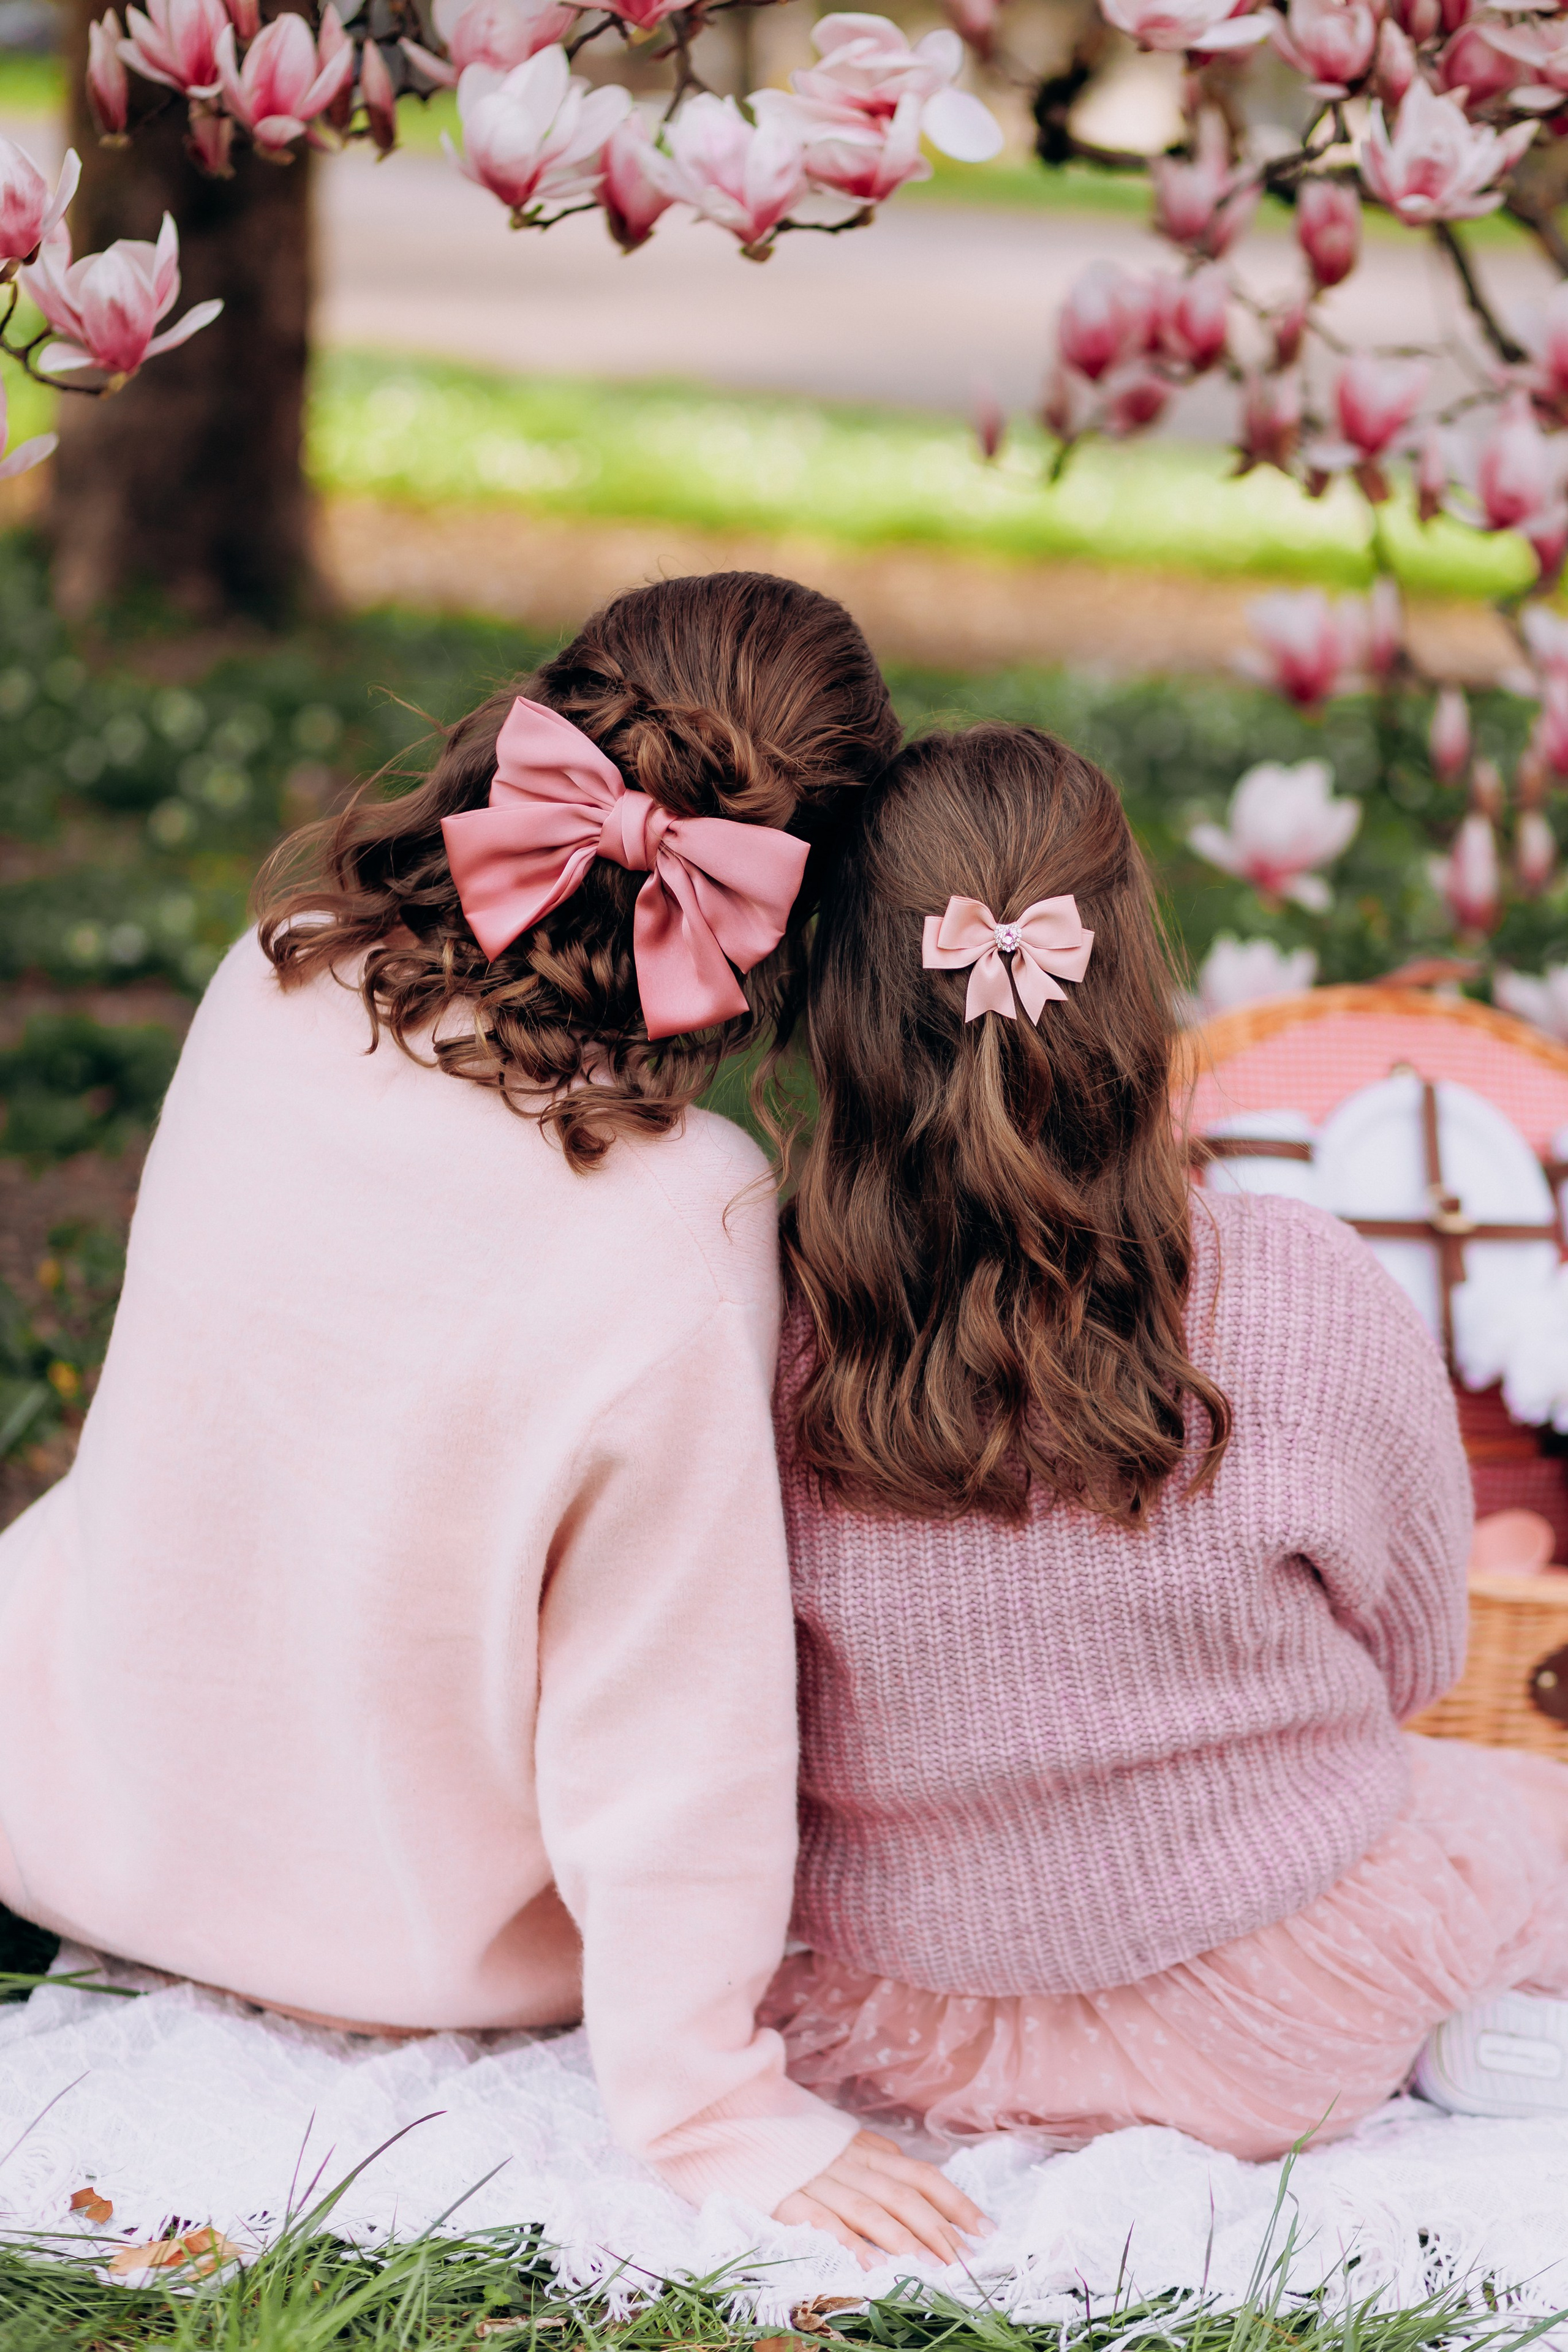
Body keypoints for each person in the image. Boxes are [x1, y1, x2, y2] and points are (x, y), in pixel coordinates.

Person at [0, 573, 984, 2262]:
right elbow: (671, 1726)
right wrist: (712, 2104)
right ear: (796, 907)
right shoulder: (694, 1219)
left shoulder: (275, 978)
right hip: (391, 1936)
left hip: (62, 1787)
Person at [764, 720, 1568, 2158]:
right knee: (1523, 1806)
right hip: (1298, 1990)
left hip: (905, 2017)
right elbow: (1415, 1655)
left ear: (836, 1006)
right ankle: (1445, 2034)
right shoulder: (1298, 1284)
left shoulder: (756, 1321)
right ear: (1134, 983)